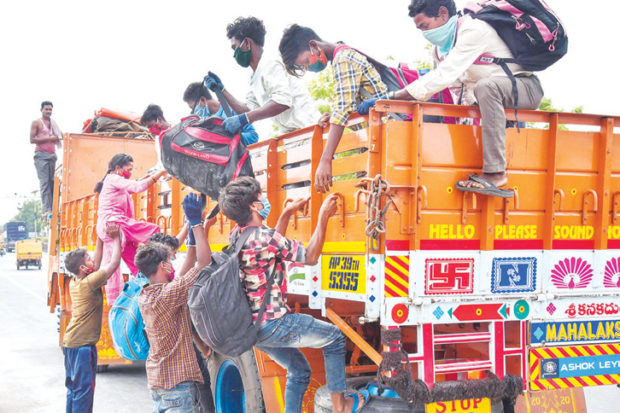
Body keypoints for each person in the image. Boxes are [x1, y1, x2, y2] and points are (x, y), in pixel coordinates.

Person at [358, 0, 545, 197]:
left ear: (443, 13)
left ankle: (496, 173)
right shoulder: (441, 51)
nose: (424, 33)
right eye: (419, 28)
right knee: (474, 99)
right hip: (493, 100)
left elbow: (442, 77)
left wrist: (393, 97)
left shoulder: (473, 30)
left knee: (486, 88)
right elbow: (456, 90)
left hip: (524, 88)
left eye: (425, 26)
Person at [218, 177, 369, 413]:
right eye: (260, 197)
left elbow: (271, 250)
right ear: (253, 206)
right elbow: (309, 257)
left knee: (299, 371)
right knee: (335, 338)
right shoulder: (266, 238)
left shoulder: (238, 235)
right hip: (276, 324)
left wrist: (287, 213)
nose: (264, 200)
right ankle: (341, 406)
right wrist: (322, 218)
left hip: (253, 328)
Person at [278, 24, 389, 193]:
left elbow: (342, 109)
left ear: (314, 46)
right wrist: (336, 116)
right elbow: (351, 106)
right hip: (378, 137)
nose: (309, 68)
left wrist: (325, 159)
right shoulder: (343, 55)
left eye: (307, 62)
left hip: (386, 136)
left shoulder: (342, 59)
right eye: (305, 67)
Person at [136, 193, 214, 413]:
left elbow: (183, 275)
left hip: (160, 382)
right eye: (169, 260)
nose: (173, 263)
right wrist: (197, 225)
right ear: (163, 266)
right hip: (176, 386)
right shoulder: (167, 295)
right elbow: (203, 263)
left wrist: (192, 240)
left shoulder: (147, 294)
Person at [204, 16, 318, 137]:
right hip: (294, 134)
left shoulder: (270, 64)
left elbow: (282, 101)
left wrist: (244, 119)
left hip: (310, 129)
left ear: (247, 43)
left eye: (235, 47)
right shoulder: (255, 77)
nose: (234, 54)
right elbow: (247, 111)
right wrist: (222, 90)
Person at [62, 223, 122, 413]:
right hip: (82, 348)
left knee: (73, 390)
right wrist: (116, 238)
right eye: (88, 258)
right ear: (82, 267)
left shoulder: (76, 280)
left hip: (70, 343)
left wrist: (99, 237)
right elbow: (113, 264)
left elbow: (95, 264)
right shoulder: (89, 283)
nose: (92, 261)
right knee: (84, 392)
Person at [94, 153, 166, 304]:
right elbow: (138, 187)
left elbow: (134, 185)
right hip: (115, 225)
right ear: (118, 168)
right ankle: (160, 263)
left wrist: (152, 174)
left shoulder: (114, 182)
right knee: (153, 230)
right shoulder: (114, 178)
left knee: (129, 265)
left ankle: (125, 299)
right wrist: (161, 172)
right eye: (129, 169)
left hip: (111, 227)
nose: (131, 173)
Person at [182, 81, 259, 145]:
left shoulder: (232, 109)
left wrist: (228, 139)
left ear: (203, 100)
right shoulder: (204, 123)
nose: (193, 112)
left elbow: (253, 136)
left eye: (193, 108)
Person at [30, 100, 63, 218]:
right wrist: (49, 138)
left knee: (53, 182)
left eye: (50, 109)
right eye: (46, 109)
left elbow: (60, 135)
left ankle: (53, 209)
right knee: (45, 183)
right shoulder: (37, 123)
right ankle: (46, 210)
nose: (48, 111)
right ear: (41, 110)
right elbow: (32, 139)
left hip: (52, 155)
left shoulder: (53, 123)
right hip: (41, 156)